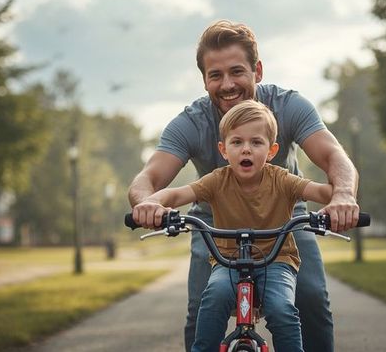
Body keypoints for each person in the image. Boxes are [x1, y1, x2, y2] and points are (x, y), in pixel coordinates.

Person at [128, 20, 360, 352]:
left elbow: (334, 156)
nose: (227, 84)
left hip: (285, 217)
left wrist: (341, 196)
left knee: (311, 299)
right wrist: (145, 204)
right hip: (214, 222)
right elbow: (148, 178)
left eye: (237, 71)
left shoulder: (288, 106)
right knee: (201, 310)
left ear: (258, 71)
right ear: (205, 79)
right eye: (215, 75)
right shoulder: (191, 122)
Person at [133, 100, 335, 351]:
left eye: (256, 142)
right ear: (224, 150)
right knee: (213, 298)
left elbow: (323, 192)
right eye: (237, 142)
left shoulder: (282, 180)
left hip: (277, 261)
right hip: (227, 260)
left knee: (282, 309)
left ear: (271, 150)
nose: (246, 150)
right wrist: (151, 203)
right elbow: (175, 195)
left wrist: (339, 202)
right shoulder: (217, 180)